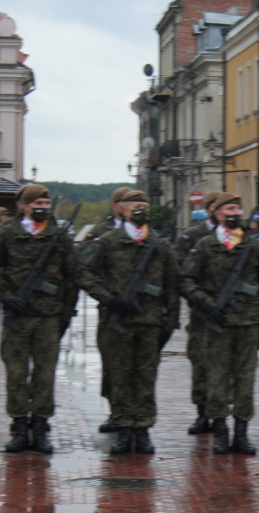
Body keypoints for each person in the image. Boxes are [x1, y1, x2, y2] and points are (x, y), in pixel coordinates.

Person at [0, 183, 79, 454]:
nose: (41, 207)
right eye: (36, 203)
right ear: (22, 205)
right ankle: (20, 426)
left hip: (48, 316)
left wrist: (66, 313)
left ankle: (40, 426)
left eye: (45, 204)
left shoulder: (58, 235)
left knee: (45, 375)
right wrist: (5, 295)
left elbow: (72, 276)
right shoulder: (7, 232)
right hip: (18, 316)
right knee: (16, 374)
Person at [78, 190, 179, 455]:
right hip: (118, 322)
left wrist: (171, 322)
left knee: (146, 377)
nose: (140, 210)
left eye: (145, 206)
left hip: (150, 321)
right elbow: (85, 273)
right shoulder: (109, 241)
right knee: (120, 375)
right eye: (135, 206)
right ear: (121, 210)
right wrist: (110, 300)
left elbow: (172, 284)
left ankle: (143, 429)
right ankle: (123, 428)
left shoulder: (159, 244)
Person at [180, 193, 259, 455]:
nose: (234, 212)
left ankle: (242, 434)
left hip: (248, 324)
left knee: (245, 380)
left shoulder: (253, 246)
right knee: (217, 379)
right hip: (217, 325)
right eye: (229, 208)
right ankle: (221, 432)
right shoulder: (204, 245)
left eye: (238, 208)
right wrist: (206, 303)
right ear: (217, 214)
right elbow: (186, 280)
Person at [77, 187, 130, 434]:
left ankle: (135, 417)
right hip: (112, 310)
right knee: (111, 363)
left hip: (140, 312)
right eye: (123, 202)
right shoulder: (100, 233)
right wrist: (106, 296)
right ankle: (115, 411)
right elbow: (84, 268)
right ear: (114, 205)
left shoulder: (148, 234)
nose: (128, 207)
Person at [175, 190, 219, 435]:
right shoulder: (192, 236)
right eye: (214, 205)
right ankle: (202, 413)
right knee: (200, 364)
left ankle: (220, 413)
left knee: (222, 367)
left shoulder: (238, 238)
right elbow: (181, 273)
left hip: (227, 316)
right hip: (202, 313)